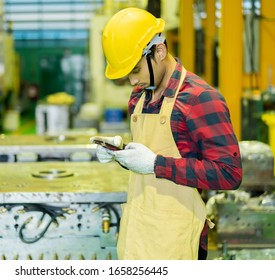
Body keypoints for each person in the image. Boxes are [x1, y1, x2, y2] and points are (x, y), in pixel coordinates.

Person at [90, 7, 242, 260]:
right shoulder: (140, 97)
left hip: (178, 241)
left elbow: (229, 173)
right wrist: (122, 155)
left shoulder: (200, 100)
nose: (131, 81)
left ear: (159, 51)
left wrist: (154, 164)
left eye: (135, 70)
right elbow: (151, 161)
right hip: (138, 232)